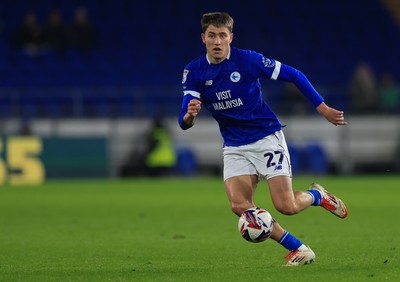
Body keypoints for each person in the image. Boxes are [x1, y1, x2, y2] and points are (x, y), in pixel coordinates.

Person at [178, 12, 348, 266]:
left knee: (286, 206)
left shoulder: (248, 60)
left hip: (265, 137)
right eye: (211, 35)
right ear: (203, 38)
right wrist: (190, 115)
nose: (217, 41)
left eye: (222, 35)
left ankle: (317, 196)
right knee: (240, 206)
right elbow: (183, 122)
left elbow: (294, 75)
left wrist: (322, 108)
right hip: (234, 146)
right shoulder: (194, 71)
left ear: (230, 38)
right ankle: (299, 249)